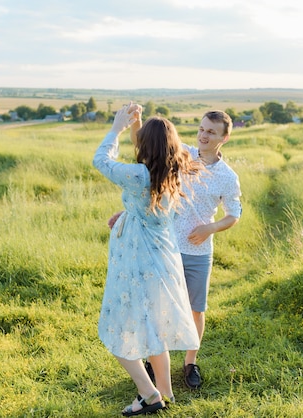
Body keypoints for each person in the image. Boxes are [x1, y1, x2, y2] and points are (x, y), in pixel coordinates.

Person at [110, 109, 242, 390]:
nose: (204, 135)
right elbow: (145, 146)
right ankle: (156, 357)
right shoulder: (182, 154)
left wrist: (210, 228)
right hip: (164, 245)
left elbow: (234, 214)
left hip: (198, 251)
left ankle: (190, 362)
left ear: (225, 138)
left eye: (211, 132)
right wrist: (136, 123)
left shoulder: (228, 177)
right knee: (157, 307)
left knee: (195, 310)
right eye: (202, 129)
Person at [93, 103, 203, 416]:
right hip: (163, 259)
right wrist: (137, 125)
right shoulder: (174, 171)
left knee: (118, 331)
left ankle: (149, 393)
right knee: (156, 328)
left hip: (137, 262)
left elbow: (100, 160)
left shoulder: (139, 175)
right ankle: (165, 392)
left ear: (147, 147)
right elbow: (150, 149)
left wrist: (116, 128)